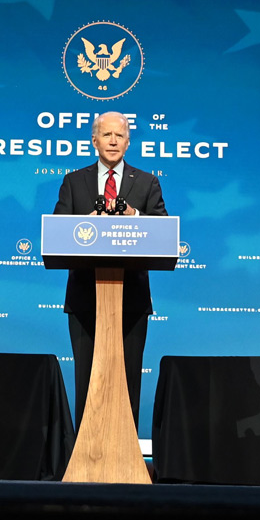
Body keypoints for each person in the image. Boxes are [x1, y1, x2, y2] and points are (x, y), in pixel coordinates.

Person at [53, 111, 168, 428]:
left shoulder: (146, 183)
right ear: (94, 140)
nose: (113, 141)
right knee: (87, 384)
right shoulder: (74, 182)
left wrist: (133, 215)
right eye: (106, 134)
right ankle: (83, 461)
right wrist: (88, 221)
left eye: (120, 135)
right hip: (85, 302)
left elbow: (163, 233)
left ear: (129, 142)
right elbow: (58, 233)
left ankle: (127, 459)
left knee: (128, 382)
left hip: (130, 301)